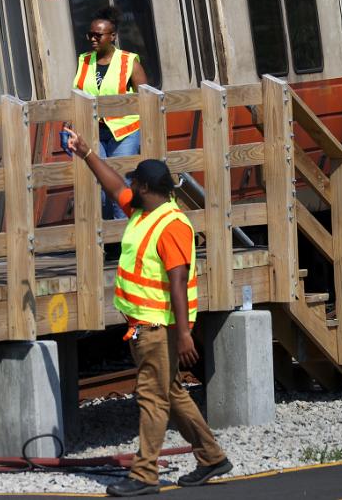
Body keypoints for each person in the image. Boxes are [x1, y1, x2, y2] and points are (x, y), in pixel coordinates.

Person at [64, 131, 232, 497]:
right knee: (170, 392)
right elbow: (113, 188)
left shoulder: (170, 225)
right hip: (145, 323)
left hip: (158, 326)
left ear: (143, 186)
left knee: (152, 398)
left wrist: (185, 333)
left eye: (133, 182)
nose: (129, 185)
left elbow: (177, 281)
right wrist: (87, 152)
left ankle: (145, 475)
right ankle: (212, 457)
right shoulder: (145, 211)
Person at [64, 6, 149, 222]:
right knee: (100, 183)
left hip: (124, 131)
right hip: (94, 130)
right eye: (90, 34)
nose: (93, 39)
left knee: (120, 184)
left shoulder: (130, 62)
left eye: (98, 35)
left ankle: (124, 237)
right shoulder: (84, 60)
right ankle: (109, 240)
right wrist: (68, 122)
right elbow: (79, 94)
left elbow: (147, 98)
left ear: (112, 36)